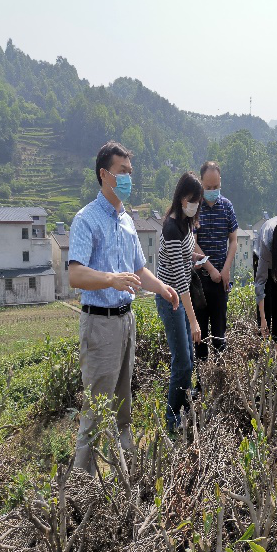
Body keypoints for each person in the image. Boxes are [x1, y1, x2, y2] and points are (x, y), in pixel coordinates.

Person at [69, 141, 179, 474]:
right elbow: (75, 273)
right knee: (95, 409)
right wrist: (110, 279)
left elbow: (138, 269)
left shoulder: (127, 221)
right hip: (100, 324)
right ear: (104, 174)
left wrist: (161, 287)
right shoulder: (87, 220)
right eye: (123, 171)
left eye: (131, 172)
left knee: (122, 405)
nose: (129, 178)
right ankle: (80, 484)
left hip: (125, 321)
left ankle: (127, 475)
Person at [156, 172, 203, 431]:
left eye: (197, 200)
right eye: (192, 199)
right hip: (171, 299)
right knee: (182, 362)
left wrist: (195, 258)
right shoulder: (171, 228)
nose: (195, 204)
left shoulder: (185, 222)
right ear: (182, 197)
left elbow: (185, 255)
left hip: (180, 297)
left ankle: (185, 410)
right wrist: (194, 321)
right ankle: (172, 420)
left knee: (189, 360)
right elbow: (180, 282)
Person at [194, 161, 238, 361]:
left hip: (222, 278)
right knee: (200, 334)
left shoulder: (227, 206)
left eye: (216, 187)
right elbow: (193, 244)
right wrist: (210, 268)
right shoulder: (195, 208)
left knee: (220, 331)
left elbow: (234, 240)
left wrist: (225, 269)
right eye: (208, 187)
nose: (212, 191)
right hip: (201, 278)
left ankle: (220, 377)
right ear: (201, 184)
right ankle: (201, 382)